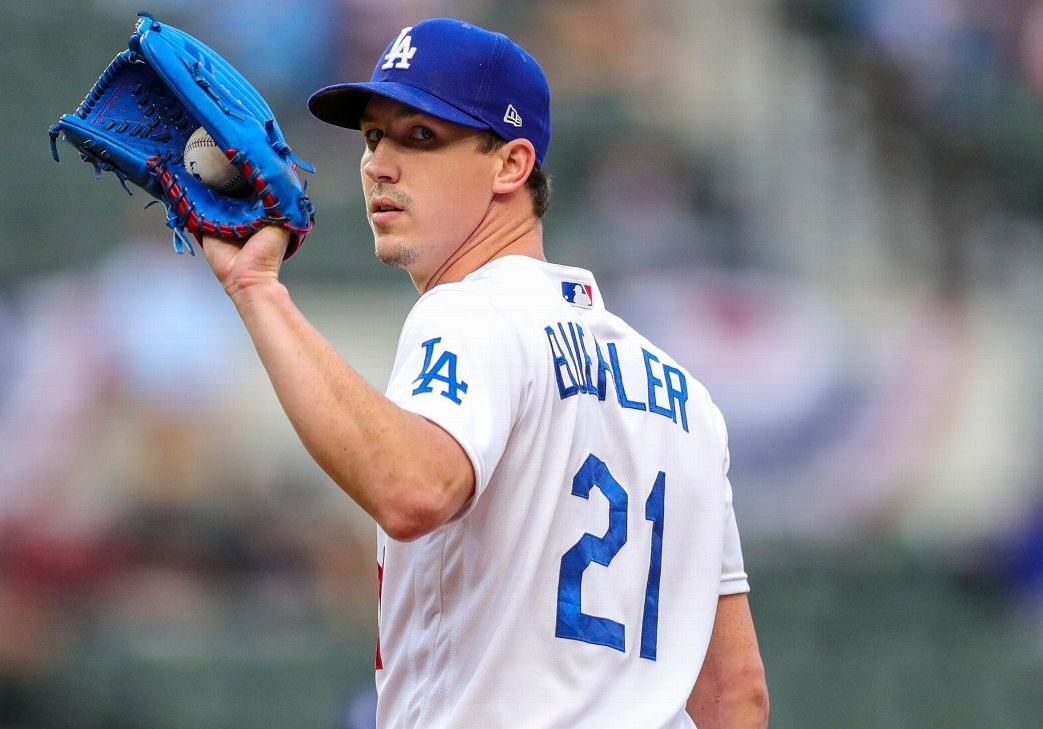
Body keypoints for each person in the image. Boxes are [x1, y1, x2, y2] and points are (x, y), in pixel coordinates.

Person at [201, 17, 768, 729]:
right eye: (374, 137)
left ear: (511, 164)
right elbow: (735, 694)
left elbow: (413, 488)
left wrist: (259, 292)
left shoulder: (472, 314)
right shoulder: (683, 396)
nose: (378, 164)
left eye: (419, 137)